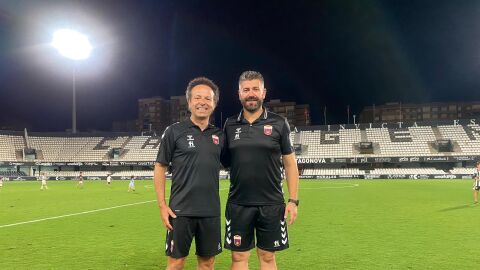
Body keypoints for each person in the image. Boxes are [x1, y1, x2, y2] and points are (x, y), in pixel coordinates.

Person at [223, 71, 299, 270]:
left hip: (272, 204)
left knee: (267, 257)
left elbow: (290, 163)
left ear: (263, 93)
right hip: (239, 204)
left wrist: (293, 200)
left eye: (255, 89)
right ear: (239, 94)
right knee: (238, 259)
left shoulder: (279, 123)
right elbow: (221, 160)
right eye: (246, 90)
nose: (251, 94)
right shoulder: (229, 124)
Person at [154, 77, 224, 270]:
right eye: (198, 97)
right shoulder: (174, 132)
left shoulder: (219, 135)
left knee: (208, 264)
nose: (203, 102)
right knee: (176, 263)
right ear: (190, 102)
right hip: (180, 212)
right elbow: (160, 167)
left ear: (214, 103)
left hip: (210, 212)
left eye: (208, 98)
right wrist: (162, 205)